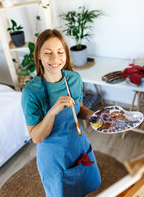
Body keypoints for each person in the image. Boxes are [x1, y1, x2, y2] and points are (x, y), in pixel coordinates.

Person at [21, 29, 101, 197]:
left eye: (60, 52)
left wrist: (97, 117)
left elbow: (78, 109)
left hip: (79, 147)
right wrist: (51, 113)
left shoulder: (74, 79)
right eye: (48, 53)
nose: (55, 58)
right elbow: (36, 137)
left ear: (66, 53)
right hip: (55, 158)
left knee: (83, 190)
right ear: (38, 55)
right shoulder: (31, 92)